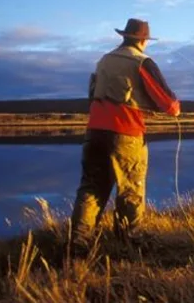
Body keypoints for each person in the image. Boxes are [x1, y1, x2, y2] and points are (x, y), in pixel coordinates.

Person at [71, 18, 180, 249]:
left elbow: (95, 94)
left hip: (94, 132)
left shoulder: (104, 60)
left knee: (91, 188)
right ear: (143, 40)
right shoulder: (142, 61)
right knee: (131, 189)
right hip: (126, 135)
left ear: (124, 37)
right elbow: (170, 106)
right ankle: (130, 243)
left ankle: (79, 245)